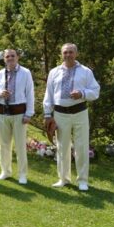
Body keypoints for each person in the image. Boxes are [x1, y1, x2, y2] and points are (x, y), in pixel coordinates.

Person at [44, 43, 100, 191]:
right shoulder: (54, 72)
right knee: (62, 147)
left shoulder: (85, 71)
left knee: (81, 147)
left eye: (71, 52)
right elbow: (49, 94)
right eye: (65, 52)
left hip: (79, 112)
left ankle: (82, 180)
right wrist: (47, 114)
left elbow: (95, 91)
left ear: (76, 54)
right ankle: (63, 179)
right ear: (61, 54)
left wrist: (82, 93)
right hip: (60, 114)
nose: (68, 55)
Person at [0, 49, 34, 184]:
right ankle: (5, 172)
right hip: (2, 113)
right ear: (4, 59)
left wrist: (29, 113)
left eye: (12, 56)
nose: (10, 58)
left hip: (19, 113)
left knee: (20, 145)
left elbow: (30, 94)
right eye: (7, 56)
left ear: (17, 57)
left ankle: (22, 174)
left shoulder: (25, 73)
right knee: (4, 145)